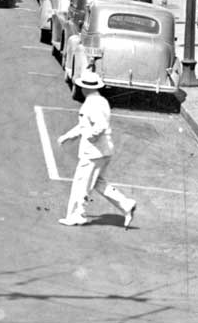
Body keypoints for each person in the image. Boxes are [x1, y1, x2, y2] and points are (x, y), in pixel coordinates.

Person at [56, 71, 137, 228]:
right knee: (97, 182)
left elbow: (99, 125)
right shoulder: (102, 101)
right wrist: (68, 136)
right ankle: (126, 204)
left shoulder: (91, 104)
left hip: (93, 152)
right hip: (104, 150)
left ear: (84, 88)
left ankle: (76, 215)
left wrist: (90, 138)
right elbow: (84, 125)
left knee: (81, 183)